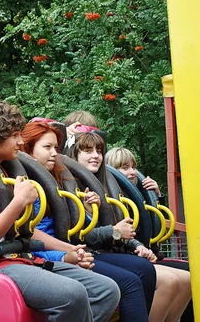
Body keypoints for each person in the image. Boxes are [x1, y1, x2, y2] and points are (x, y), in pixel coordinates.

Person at [0, 99, 120, 322]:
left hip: (16, 259)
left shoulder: (1, 173)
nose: (20, 141)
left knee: (106, 290)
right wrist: (18, 203)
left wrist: (71, 249)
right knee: (71, 294)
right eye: (14, 135)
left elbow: (23, 231)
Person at [21, 121, 156, 321]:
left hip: (73, 250)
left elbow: (75, 225)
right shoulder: (32, 187)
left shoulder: (56, 181)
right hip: (63, 253)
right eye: (47, 147)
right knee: (127, 283)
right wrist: (68, 254)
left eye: (55, 148)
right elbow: (35, 236)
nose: (54, 153)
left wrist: (85, 210)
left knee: (144, 270)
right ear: (29, 150)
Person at [67, 132, 192, 322]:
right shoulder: (71, 188)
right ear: (74, 155)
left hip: (116, 249)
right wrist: (116, 232)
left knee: (186, 278)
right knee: (158, 279)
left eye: (99, 151)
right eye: (87, 151)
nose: (95, 155)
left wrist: (137, 245)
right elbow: (83, 234)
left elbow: (126, 228)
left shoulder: (107, 187)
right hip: (92, 252)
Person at [105, 146, 195, 322]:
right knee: (170, 281)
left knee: (189, 276)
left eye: (133, 167)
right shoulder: (111, 198)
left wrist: (156, 196)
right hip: (128, 255)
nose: (131, 172)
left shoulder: (138, 196)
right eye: (124, 168)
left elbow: (156, 225)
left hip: (146, 253)